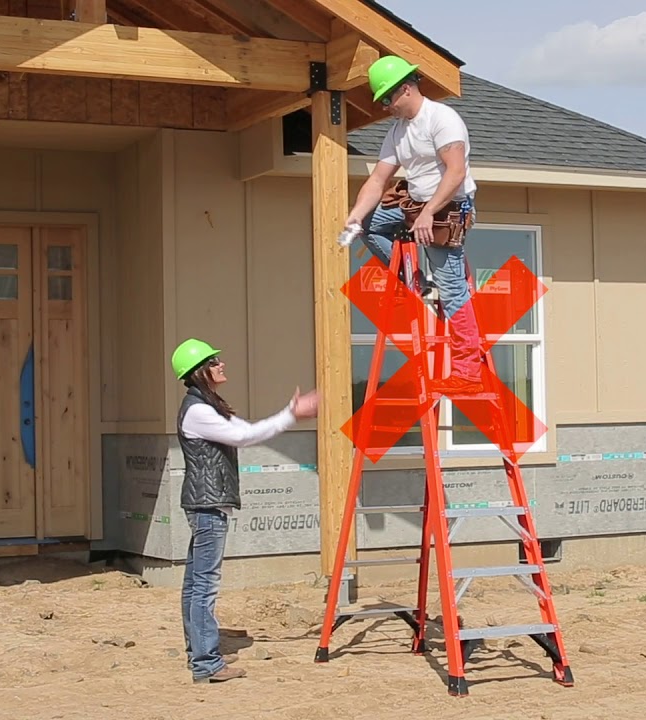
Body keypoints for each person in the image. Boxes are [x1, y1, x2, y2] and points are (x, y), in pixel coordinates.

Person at [170, 338, 320, 684]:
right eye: (213, 361)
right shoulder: (198, 411)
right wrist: (291, 414)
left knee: (196, 583)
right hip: (207, 507)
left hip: (205, 504)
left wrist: (289, 413)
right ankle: (206, 663)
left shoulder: (205, 406)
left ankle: (199, 655)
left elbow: (243, 431)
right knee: (203, 584)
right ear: (199, 371)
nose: (221, 363)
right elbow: (246, 436)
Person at [345, 54, 484, 395]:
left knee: (452, 290)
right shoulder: (398, 131)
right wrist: (355, 216)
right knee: (371, 223)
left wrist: (428, 212)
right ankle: (414, 282)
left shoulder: (442, 119)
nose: (386, 106)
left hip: (448, 208)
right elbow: (378, 180)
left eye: (388, 99)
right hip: (418, 206)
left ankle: (468, 372)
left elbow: (456, 172)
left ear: (405, 89)